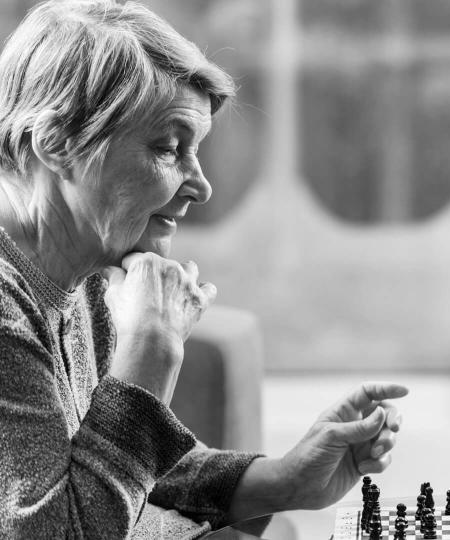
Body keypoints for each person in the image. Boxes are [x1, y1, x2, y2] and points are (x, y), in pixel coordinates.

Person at [0, 1, 407, 538]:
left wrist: (285, 478)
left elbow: (123, 468)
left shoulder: (86, 273)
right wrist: (151, 353)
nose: (201, 185)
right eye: (168, 148)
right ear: (54, 143)